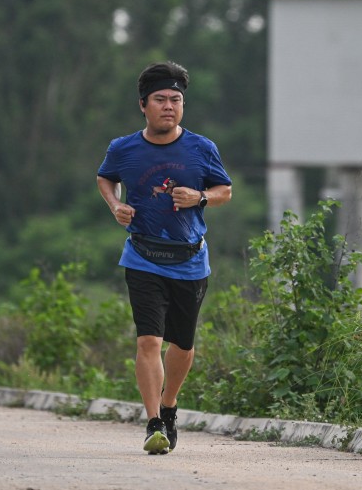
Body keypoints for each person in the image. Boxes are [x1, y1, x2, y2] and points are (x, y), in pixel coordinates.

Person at [96, 60, 232, 455]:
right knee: (149, 340)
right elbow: (105, 177)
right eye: (160, 99)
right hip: (142, 256)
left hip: (190, 259)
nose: (169, 106)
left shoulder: (201, 148)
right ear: (143, 105)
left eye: (176, 99)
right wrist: (113, 204)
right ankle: (154, 422)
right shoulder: (123, 148)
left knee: (183, 345)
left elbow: (225, 190)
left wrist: (200, 197)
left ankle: (170, 404)